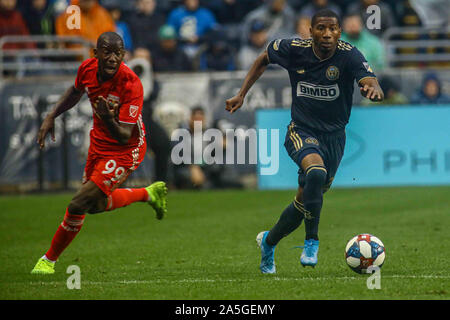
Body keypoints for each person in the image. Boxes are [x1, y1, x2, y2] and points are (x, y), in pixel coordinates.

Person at [225, 9, 384, 273]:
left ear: (339, 32)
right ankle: (312, 241)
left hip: (334, 137)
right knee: (315, 172)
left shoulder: (349, 54)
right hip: (301, 129)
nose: (327, 34)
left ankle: (268, 241)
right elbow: (264, 57)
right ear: (310, 31)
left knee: (304, 202)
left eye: (333, 29)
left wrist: (373, 87)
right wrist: (242, 94)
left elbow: (368, 78)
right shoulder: (293, 48)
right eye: (321, 28)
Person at [31, 32, 168, 274]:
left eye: (118, 53)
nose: (113, 58)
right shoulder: (86, 69)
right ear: (96, 54)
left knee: (78, 203)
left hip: (127, 149)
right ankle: (147, 194)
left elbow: (125, 135)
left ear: (124, 55)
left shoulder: (131, 83)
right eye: (107, 51)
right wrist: (52, 115)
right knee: (95, 205)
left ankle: (48, 261)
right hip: (99, 143)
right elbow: (75, 92)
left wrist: (106, 117)